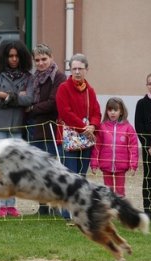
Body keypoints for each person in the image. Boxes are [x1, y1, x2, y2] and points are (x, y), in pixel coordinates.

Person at [0, 40, 33, 217]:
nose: (13, 59)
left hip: (17, 126)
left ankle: (11, 204)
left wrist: (5, 96)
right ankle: (0, 205)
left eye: (16, 56)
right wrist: (14, 99)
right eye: (10, 56)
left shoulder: (28, 77)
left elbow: (29, 99)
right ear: (4, 58)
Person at [56, 53, 101, 220]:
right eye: (73, 68)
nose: (76, 72)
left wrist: (93, 126)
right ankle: (67, 214)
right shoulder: (63, 88)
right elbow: (65, 112)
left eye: (80, 69)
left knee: (81, 177)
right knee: (70, 176)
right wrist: (84, 128)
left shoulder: (90, 90)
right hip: (70, 138)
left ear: (86, 70)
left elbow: (97, 111)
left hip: (87, 138)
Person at [26, 43, 66, 215]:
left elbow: (53, 102)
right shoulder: (33, 78)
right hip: (36, 128)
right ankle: (42, 207)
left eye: (44, 59)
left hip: (52, 128)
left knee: (53, 170)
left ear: (51, 58)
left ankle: (56, 206)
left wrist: (32, 108)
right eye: (37, 60)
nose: (41, 63)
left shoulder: (58, 77)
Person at [90, 97, 138, 197]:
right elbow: (97, 147)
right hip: (106, 165)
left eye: (115, 110)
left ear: (121, 112)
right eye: (110, 109)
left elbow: (133, 147)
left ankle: (121, 210)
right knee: (108, 190)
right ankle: (109, 210)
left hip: (121, 166)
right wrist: (94, 164)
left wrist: (133, 165)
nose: (112, 112)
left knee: (120, 191)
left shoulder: (128, 128)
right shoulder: (102, 127)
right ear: (107, 111)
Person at [135, 71, 151, 219]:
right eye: (150, 84)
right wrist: (149, 146)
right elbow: (139, 127)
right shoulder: (141, 104)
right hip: (149, 148)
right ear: (147, 85)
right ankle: (147, 210)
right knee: (148, 178)